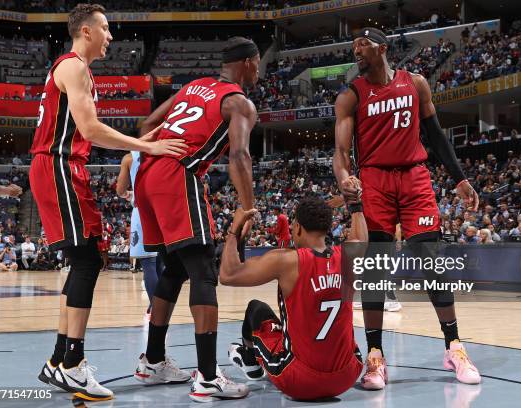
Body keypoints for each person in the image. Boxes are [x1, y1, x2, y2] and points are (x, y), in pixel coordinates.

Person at [29, 4, 186, 401]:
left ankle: (59, 358)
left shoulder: (75, 69)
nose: (110, 36)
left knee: (85, 259)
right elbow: (90, 128)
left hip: (61, 167)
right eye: (105, 28)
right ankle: (72, 365)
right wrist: (145, 144)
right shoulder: (73, 66)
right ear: (85, 31)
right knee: (85, 260)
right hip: (58, 165)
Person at [333, 27, 481, 389]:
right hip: (375, 180)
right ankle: (375, 356)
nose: (357, 50)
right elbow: (340, 152)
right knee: (376, 266)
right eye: (354, 46)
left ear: (382, 48)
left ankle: (454, 346)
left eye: (363, 44)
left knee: (432, 259)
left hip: (415, 177)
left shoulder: (415, 83)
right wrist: (344, 178)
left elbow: (435, 135)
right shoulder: (351, 96)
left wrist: (459, 178)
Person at [133, 36, 260, 402]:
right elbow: (239, 157)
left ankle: (153, 361)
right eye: (256, 65)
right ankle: (207, 377)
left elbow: (147, 125)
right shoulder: (239, 102)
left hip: (149, 172)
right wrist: (247, 207)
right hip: (177, 174)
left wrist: (156, 150)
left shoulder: (193, 86)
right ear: (249, 62)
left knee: (174, 268)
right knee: (203, 270)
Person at [220, 194, 365, 400]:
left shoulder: (286, 260)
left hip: (300, 380)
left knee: (256, 309)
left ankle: (250, 359)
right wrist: (356, 205)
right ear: (328, 227)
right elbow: (361, 239)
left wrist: (235, 230)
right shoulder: (349, 256)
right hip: (347, 376)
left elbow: (227, 275)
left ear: (297, 227)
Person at [116, 151, 162, 315]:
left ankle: (157, 308)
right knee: (159, 263)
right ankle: (162, 305)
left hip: (143, 211)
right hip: (163, 210)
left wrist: (129, 194)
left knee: (148, 264)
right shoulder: (163, 151)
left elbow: (120, 190)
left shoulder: (129, 157)